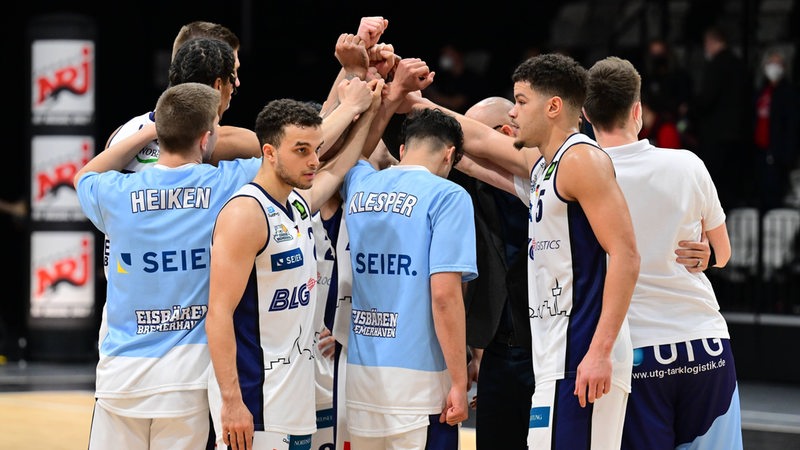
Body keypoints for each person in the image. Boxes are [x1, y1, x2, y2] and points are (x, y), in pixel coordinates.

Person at [404, 52, 640, 449]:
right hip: (554, 356)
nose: (514, 112)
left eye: (521, 101)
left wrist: (599, 351)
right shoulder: (545, 166)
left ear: (552, 107)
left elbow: (627, 255)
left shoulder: (580, 158)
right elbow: (474, 136)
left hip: (582, 353)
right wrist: (405, 98)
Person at [75, 82, 263, 450]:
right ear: (207, 138)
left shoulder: (117, 192)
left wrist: (149, 131)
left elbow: (84, 176)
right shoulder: (225, 184)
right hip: (186, 382)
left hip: (120, 377)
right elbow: (288, 153)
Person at [206, 81, 383, 450]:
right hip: (255, 396)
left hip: (293, 393)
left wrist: (371, 105)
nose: (314, 160)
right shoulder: (246, 213)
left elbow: (344, 163)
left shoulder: (298, 204)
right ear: (269, 153)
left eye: (316, 150)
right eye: (301, 151)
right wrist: (232, 401)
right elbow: (218, 313)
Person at [584, 55, 742, 450]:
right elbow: (723, 253)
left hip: (634, 352)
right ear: (638, 111)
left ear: (586, 115)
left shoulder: (580, 176)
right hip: (705, 344)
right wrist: (707, 256)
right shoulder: (688, 164)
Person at [340, 107, 477, 449]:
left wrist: (380, 95)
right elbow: (444, 296)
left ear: (402, 150)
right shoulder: (448, 196)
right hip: (421, 390)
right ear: (450, 156)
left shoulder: (359, 182)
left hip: (361, 379)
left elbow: (350, 146)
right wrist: (459, 382)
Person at [461, 96, 534, 450]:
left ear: (503, 133)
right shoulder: (466, 187)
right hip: (495, 354)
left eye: (472, 134)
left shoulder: (555, 180)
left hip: (548, 354)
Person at [691, 25, 753, 210]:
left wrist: (691, 108)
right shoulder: (740, 65)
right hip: (739, 134)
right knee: (732, 183)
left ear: (711, 41)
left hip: (717, 135)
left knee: (715, 186)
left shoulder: (716, 66)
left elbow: (707, 99)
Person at [752, 47, 799, 212]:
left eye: (778, 63)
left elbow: (791, 126)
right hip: (759, 151)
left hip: (778, 153)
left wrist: (787, 154)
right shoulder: (761, 92)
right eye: (771, 63)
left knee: (775, 197)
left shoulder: (789, 93)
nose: (774, 67)